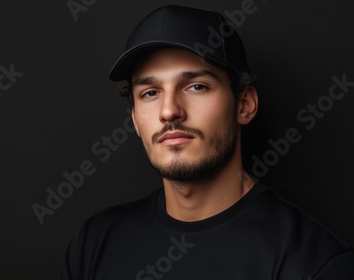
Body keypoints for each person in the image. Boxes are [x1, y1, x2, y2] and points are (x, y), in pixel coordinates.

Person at [59, 5, 354, 280]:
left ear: (244, 105)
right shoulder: (94, 244)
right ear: (135, 118)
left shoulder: (314, 263)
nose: (169, 110)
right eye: (150, 92)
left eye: (196, 86)